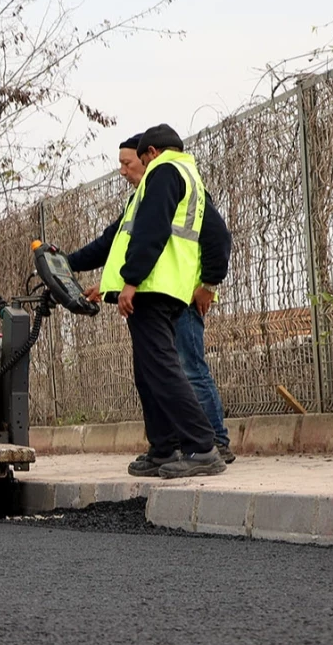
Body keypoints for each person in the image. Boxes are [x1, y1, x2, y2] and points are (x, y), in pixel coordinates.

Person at [66, 125, 225, 478]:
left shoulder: (165, 171)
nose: (129, 170)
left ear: (151, 152)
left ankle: (202, 447)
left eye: (135, 160)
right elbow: (119, 239)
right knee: (149, 372)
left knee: (165, 370)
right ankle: (164, 447)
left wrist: (132, 281)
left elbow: (151, 230)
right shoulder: (186, 175)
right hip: (163, 288)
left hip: (153, 288)